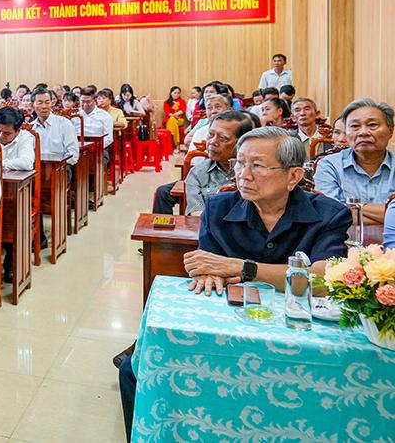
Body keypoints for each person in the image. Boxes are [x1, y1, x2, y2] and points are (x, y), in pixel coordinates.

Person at [121, 128, 350, 441]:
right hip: (232, 321)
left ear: (293, 176)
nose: (244, 174)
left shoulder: (329, 214)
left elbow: (323, 280)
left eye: (258, 166)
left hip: (297, 327)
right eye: (240, 163)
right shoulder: (219, 207)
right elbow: (206, 267)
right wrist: (215, 271)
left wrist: (244, 269)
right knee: (135, 368)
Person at [314, 99, 395, 225]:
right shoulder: (329, 165)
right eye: (355, 126)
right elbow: (330, 214)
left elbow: (339, 214)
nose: (363, 132)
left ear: (390, 130)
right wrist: (389, 216)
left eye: (372, 125)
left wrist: (351, 207)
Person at [184, 111, 255, 215]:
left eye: (222, 138)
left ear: (242, 142)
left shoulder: (255, 172)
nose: (212, 142)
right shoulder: (197, 173)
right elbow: (197, 213)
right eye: (210, 135)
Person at [31, 88, 79, 169]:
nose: (44, 106)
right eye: (40, 103)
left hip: (61, 168)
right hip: (36, 168)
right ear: (33, 105)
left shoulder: (64, 124)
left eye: (47, 102)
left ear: (52, 104)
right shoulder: (30, 128)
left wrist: (59, 165)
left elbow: (73, 153)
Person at [79, 88, 114, 164]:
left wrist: (95, 147)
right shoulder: (75, 114)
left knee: (97, 162)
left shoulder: (105, 116)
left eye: (88, 102)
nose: (85, 104)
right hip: (78, 147)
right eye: (83, 101)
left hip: (98, 148)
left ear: (95, 101)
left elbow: (108, 138)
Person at [0, 106, 35, 171]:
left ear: (18, 131)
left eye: (7, 133)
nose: (0, 136)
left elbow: (27, 163)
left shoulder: (25, 137)